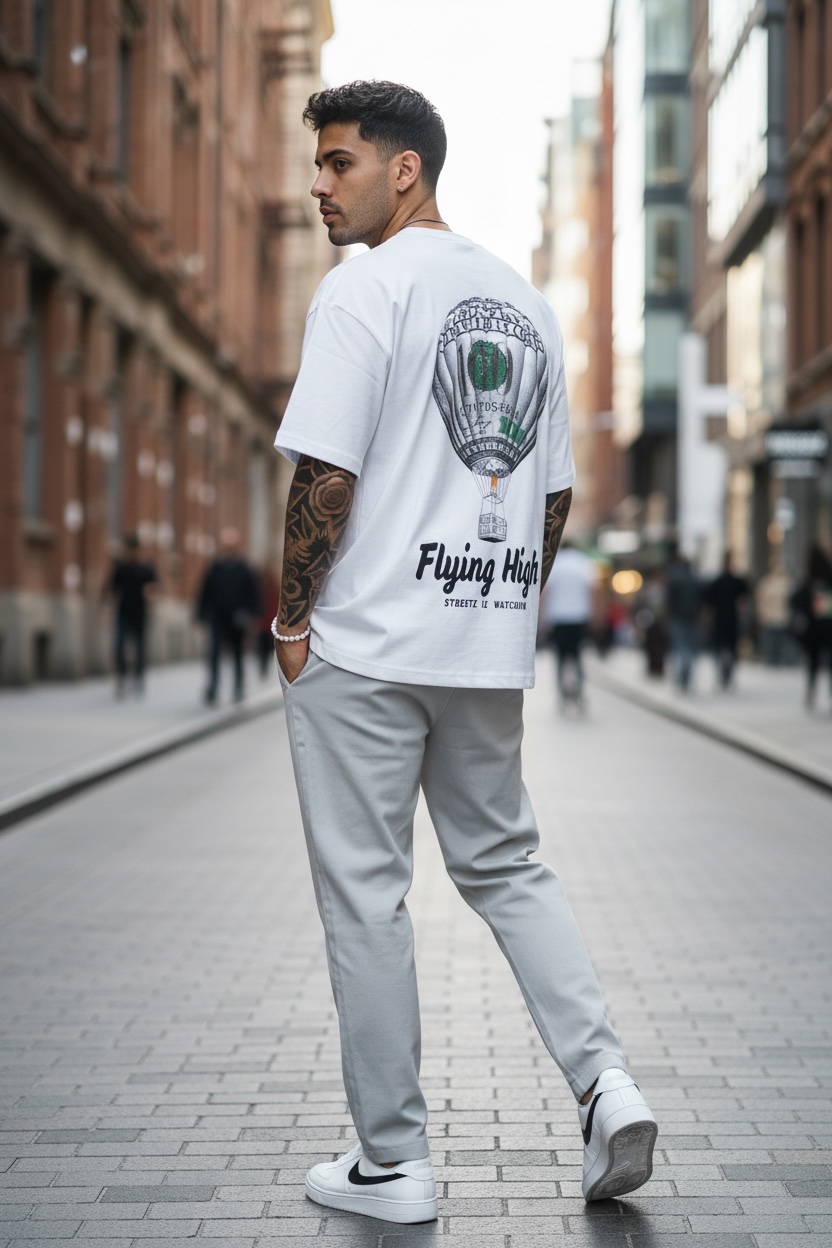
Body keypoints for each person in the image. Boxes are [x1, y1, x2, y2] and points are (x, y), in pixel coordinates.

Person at [271, 81, 656, 1226]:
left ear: (405, 170)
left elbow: (325, 471)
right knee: (507, 866)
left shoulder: (365, 287)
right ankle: (605, 1085)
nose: (318, 185)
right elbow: (554, 495)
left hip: (366, 644)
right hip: (478, 640)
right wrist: (500, 608)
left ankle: (393, 1163)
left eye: (338, 162)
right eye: (317, 164)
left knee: (365, 894)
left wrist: (292, 619)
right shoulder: (522, 302)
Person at [196, 528, 260, 704]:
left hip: (237, 619)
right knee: (214, 653)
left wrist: (252, 614)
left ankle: (238, 688)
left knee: (238, 654)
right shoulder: (215, 568)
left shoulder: (244, 568)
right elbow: (205, 592)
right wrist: (201, 615)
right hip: (217, 618)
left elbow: (253, 594)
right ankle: (213, 687)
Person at [540, 540, 597, 708]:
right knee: (577, 656)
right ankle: (578, 692)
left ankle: (561, 694)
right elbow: (592, 591)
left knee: (559, 657)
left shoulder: (555, 564)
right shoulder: (584, 563)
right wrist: (594, 615)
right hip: (579, 617)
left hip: (558, 617)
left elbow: (546, 592)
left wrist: (543, 617)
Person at [104, 533, 157, 696]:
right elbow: (113, 589)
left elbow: (154, 589)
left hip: (140, 613)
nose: (132, 553)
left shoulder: (146, 568)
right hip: (123, 613)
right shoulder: (121, 568)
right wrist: (108, 610)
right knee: (119, 645)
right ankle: (122, 677)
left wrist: (151, 596)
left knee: (140, 647)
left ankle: (139, 677)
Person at [790, 543, 832, 708]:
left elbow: (796, 599)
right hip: (828, 626)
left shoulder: (809, 578)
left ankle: (811, 691)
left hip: (814, 628)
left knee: (813, 661)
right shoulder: (828, 576)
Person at [702, 553, 750, 690]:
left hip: (721, 620)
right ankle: (727, 675)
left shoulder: (717, 582)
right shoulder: (735, 581)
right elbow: (744, 600)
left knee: (721, 649)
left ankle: (723, 675)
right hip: (730, 619)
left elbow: (708, 604)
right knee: (730, 649)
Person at [665, 550, 701, 692]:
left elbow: (669, 601)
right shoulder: (695, 580)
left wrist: (668, 617)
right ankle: (686, 676)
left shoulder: (674, 580)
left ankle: (681, 675)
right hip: (692, 618)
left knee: (679, 648)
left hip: (678, 618)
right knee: (690, 648)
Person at [754, 554, 794, 667]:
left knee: (782, 644)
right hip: (770, 617)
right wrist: (761, 613)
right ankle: (771, 661)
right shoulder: (766, 582)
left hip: (783, 618)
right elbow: (761, 599)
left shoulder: (787, 583)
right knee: (770, 644)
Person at [256, 565, 281, 678]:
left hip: (267, 622)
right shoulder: (262, 589)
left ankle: (264, 667)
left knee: (265, 648)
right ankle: (264, 667)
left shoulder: (271, 588)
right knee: (265, 647)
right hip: (267, 622)